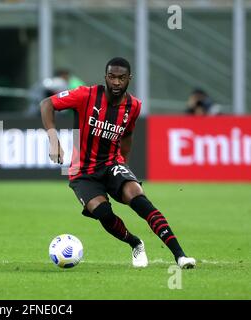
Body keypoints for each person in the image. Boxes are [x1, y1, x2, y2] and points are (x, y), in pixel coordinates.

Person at [40, 57, 196, 269]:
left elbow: (127, 135)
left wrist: (125, 168)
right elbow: (47, 103)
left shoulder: (134, 106)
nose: (116, 82)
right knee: (102, 212)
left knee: (138, 198)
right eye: (112, 77)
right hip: (82, 171)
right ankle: (135, 243)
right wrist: (53, 139)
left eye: (121, 78)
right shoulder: (86, 95)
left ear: (129, 79)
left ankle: (180, 256)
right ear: (105, 77)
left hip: (112, 164)